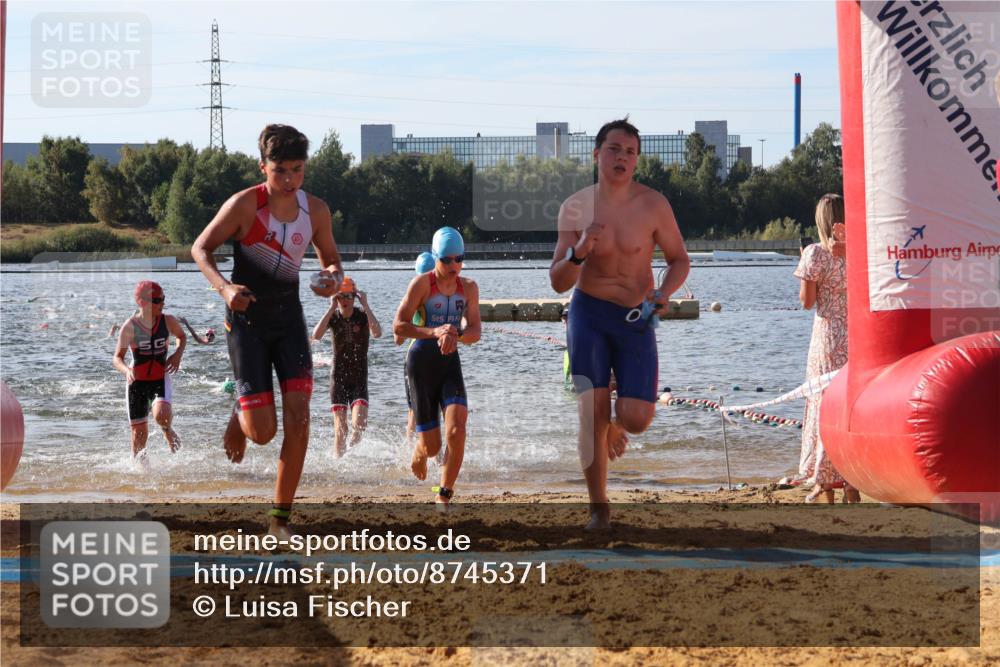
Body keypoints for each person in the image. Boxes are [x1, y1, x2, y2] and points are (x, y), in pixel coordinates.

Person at [191, 124, 344, 537]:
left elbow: (332, 260)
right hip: (247, 323)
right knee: (262, 434)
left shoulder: (316, 211)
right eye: (281, 171)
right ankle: (241, 410)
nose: (290, 179)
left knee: (299, 420)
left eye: (298, 169)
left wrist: (330, 278)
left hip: (290, 320)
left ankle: (279, 520)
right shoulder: (244, 206)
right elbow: (200, 248)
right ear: (264, 168)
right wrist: (224, 288)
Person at [550, 118, 690, 530]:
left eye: (629, 152)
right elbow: (558, 281)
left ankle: (615, 422)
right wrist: (579, 252)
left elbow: (680, 258)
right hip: (588, 314)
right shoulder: (575, 207)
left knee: (636, 419)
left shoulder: (654, 205)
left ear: (637, 160)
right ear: (596, 154)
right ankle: (599, 508)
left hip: (635, 316)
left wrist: (664, 292)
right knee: (590, 413)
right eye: (614, 149)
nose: (621, 158)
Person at [393, 228, 481, 506]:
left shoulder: (469, 288)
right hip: (420, 364)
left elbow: (476, 330)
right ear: (435, 258)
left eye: (459, 259)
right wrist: (436, 332)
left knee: (457, 430)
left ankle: (444, 492)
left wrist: (459, 334)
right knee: (433, 447)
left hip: (449, 364)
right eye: (446, 260)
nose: (454, 266)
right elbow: (399, 327)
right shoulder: (421, 285)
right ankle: (420, 451)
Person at [794, 193, 858, 504]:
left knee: (823, 407)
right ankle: (852, 482)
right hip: (858, 336)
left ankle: (823, 482)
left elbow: (807, 303)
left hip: (827, 337)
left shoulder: (815, 253)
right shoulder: (861, 250)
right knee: (849, 409)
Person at [112, 281, 186, 461]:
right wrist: (126, 370)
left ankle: (167, 431)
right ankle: (141, 476)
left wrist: (177, 355)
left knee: (162, 416)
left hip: (160, 378)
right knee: (139, 436)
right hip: (136, 382)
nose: (162, 303)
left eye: (163, 299)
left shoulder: (168, 321)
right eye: (158, 300)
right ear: (142, 302)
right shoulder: (130, 327)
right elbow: (117, 358)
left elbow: (182, 337)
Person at [312, 276, 382, 457]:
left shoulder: (362, 316)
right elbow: (316, 335)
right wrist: (330, 308)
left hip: (359, 377)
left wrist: (366, 305)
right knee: (340, 428)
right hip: (338, 378)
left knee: (359, 424)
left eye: (349, 296)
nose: (345, 300)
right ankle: (338, 462)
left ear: (355, 297)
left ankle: (349, 453)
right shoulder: (333, 318)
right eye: (341, 296)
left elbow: (377, 333)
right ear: (336, 298)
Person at [397, 252, 437, 443]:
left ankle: (410, 451)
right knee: (431, 408)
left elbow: (398, 339)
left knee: (414, 410)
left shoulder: (410, 297)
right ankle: (433, 457)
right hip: (433, 357)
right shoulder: (443, 294)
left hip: (416, 356)